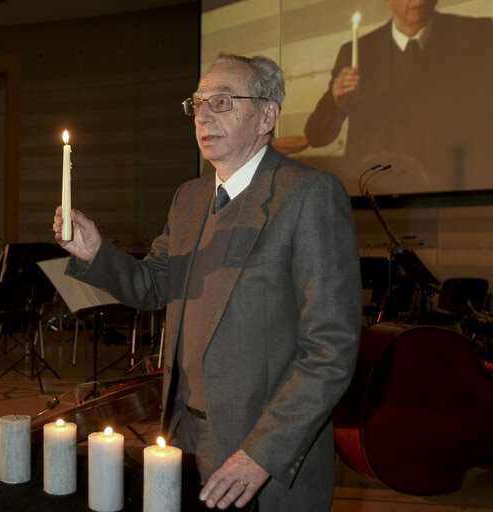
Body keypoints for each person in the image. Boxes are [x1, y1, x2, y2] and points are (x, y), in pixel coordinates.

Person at [53, 53, 361, 510]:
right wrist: (97, 253)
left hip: (261, 452)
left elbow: (331, 349)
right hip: (183, 433)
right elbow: (153, 285)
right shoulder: (190, 197)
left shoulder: (308, 195)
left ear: (267, 115)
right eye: (197, 103)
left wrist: (262, 453)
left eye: (222, 101)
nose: (202, 114)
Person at [304, 0, 493, 191]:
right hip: (376, 195)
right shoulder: (359, 52)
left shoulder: (477, 36)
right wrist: (336, 101)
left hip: (454, 197)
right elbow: (317, 136)